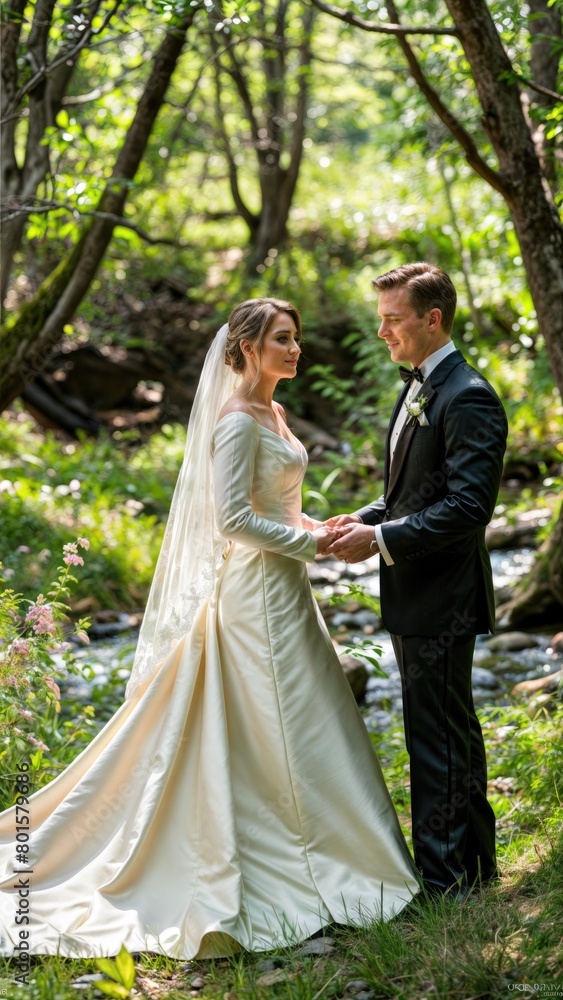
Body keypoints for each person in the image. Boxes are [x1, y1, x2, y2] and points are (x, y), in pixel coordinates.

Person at [0, 298, 419, 961]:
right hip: (256, 596)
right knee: (278, 718)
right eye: (283, 338)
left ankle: (324, 849)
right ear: (247, 347)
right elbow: (231, 522)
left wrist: (319, 526)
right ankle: (298, 860)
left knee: (301, 718)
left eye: (298, 337)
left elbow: (273, 504)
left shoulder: (273, 413)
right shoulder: (232, 422)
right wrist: (308, 548)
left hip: (283, 588)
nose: (295, 348)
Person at [328, 263, 508, 898]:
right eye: (380, 320)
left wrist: (378, 541)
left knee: (439, 739)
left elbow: (467, 508)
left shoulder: (468, 394)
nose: (383, 331)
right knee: (443, 731)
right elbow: (410, 495)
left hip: (444, 598)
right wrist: (367, 517)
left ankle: (447, 881)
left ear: (432, 319)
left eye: (393, 319)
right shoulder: (421, 386)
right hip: (420, 594)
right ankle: (472, 869)